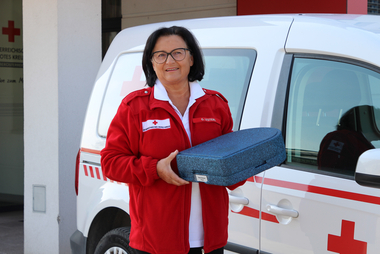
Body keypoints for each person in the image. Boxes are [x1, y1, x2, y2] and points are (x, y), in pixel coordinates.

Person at [101, 26, 245, 254]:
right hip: (156, 240)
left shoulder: (216, 105)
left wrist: (246, 166)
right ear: (151, 62)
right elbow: (110, 162)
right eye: (161, 55)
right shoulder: (135, 107)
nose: (170, 60)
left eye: (178, 52)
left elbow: (230, 163)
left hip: (210, 240)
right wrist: (154, 169)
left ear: (191, 57)